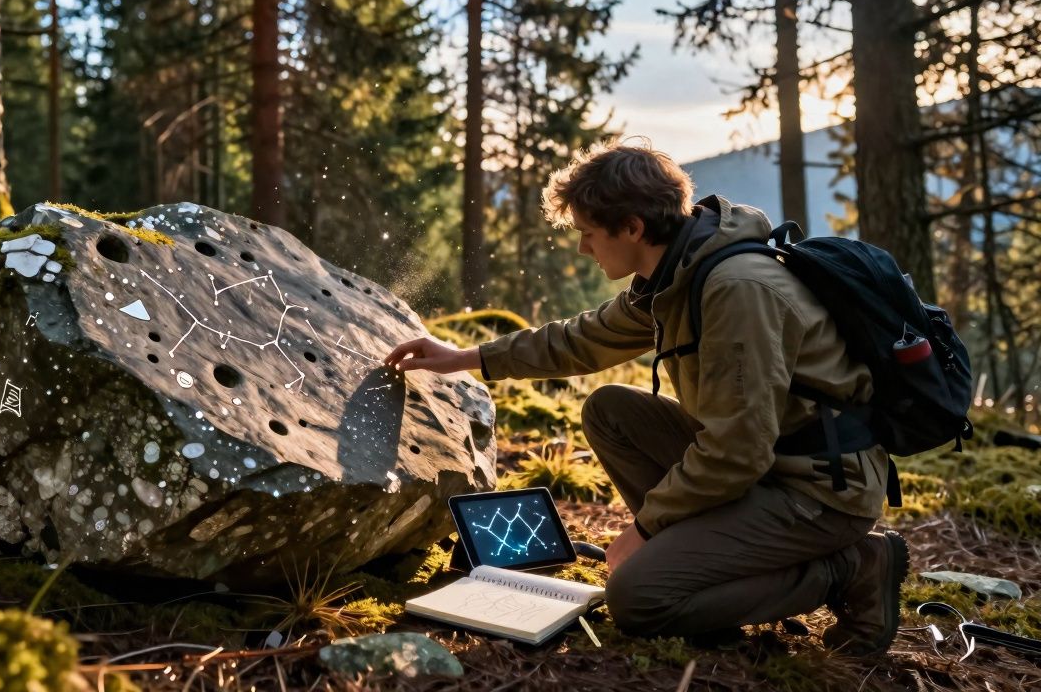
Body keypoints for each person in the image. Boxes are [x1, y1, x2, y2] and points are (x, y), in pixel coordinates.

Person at [383, 140, 908, 655]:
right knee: (611, 410)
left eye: (589, 234)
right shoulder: (678, 274)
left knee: (637, 600)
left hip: (818, 492)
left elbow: (737, 451)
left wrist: (645, 527)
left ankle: (852, 568)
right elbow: (579, 340)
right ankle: (701, 574)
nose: (583, 247)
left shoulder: (735, 290)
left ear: (632, 227)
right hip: (769, 465)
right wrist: (463, 357)